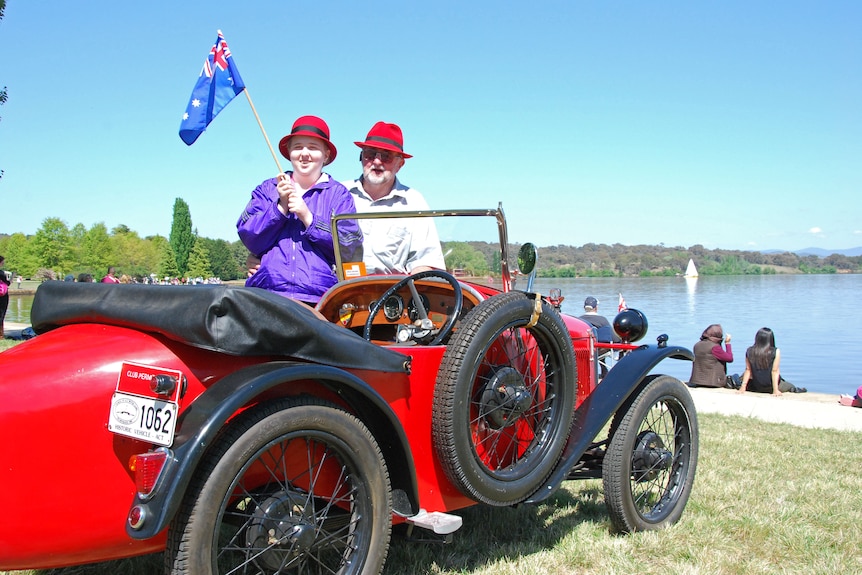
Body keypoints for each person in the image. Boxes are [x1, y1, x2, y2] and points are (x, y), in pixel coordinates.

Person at [237, 115, 362, 305]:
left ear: (326, 155)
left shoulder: (339, 195)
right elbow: (248, 235)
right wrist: (280, 208)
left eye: (313, 147)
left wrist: (309, 218)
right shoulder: (267, 189)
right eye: (298, 147)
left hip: (318, 298)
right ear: (288, 152)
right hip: (266, 294)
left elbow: (348, 246)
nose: (304, 154)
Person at [344, 121, 445, 274]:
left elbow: (425, 261)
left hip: (393, 292)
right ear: (361, 157)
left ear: (400, 164)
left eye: (386, 156)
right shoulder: (339, 193)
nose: (377, 161)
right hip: (340, 291)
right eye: (370, 154)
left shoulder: (414, 202)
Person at [738, 327, 807, 395]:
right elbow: (774, 371)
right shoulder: (775, 351)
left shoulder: (750, 351)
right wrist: (775, 390)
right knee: (790, 386)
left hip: (757, 385)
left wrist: (743, 387)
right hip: (770, 386)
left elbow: (748, 370)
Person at [688, 324, 733, 388]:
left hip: (696, 381)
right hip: (713, 382)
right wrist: (727, 343)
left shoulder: (697, 345)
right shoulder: (715, 347)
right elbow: (729, 358)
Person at [0, 255, 10, 339]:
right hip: (2, 296)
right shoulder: (1, 273)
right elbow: (7, 283)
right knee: (1, 314)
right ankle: (1, 335)